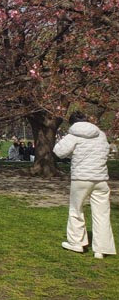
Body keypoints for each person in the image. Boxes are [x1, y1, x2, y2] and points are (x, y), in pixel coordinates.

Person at [53, 111, 116, 259]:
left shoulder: (73, 135)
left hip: (81, 177)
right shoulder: (101, 135)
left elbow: (58, 151)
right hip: (100, 178)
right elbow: (105, 151)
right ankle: (101, 249)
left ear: (72, 123)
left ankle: (77, 242)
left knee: (76, 209)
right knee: (102, 213)